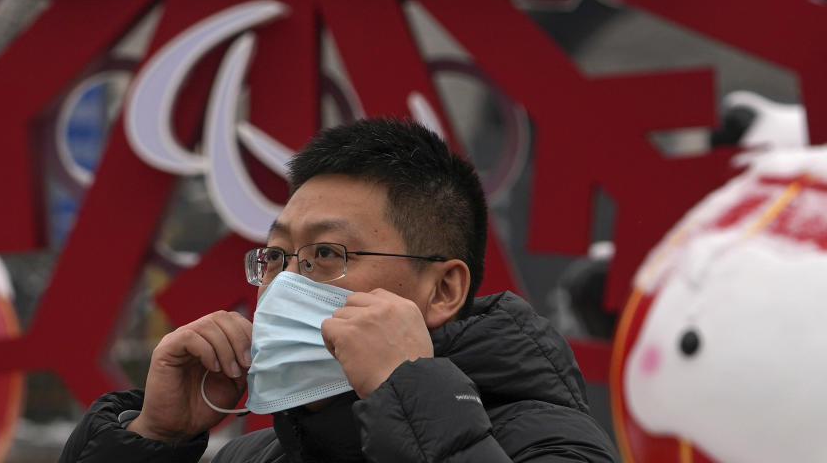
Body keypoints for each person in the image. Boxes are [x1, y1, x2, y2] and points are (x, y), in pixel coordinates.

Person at [59, 118, 618, 462]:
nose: (285, 287)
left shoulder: (547, 443)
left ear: (442, 290)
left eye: (327, 254)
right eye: (276, 258)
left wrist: (409, 391)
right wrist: (151, 439)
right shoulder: (259, 455)